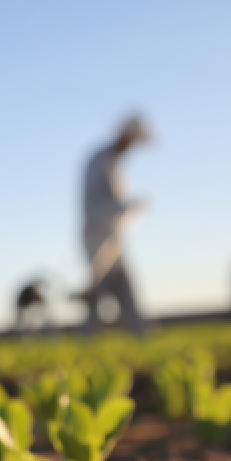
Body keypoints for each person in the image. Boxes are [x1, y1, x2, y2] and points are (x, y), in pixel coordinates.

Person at [78, 115, 151, 335]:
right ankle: (88, 336)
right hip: (97, 236)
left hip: (111, 236)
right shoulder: (101, 161)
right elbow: (98, 203)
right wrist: (129, 206)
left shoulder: (113, 162)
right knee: (100, 287)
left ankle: (139, 333)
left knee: (123, 286)